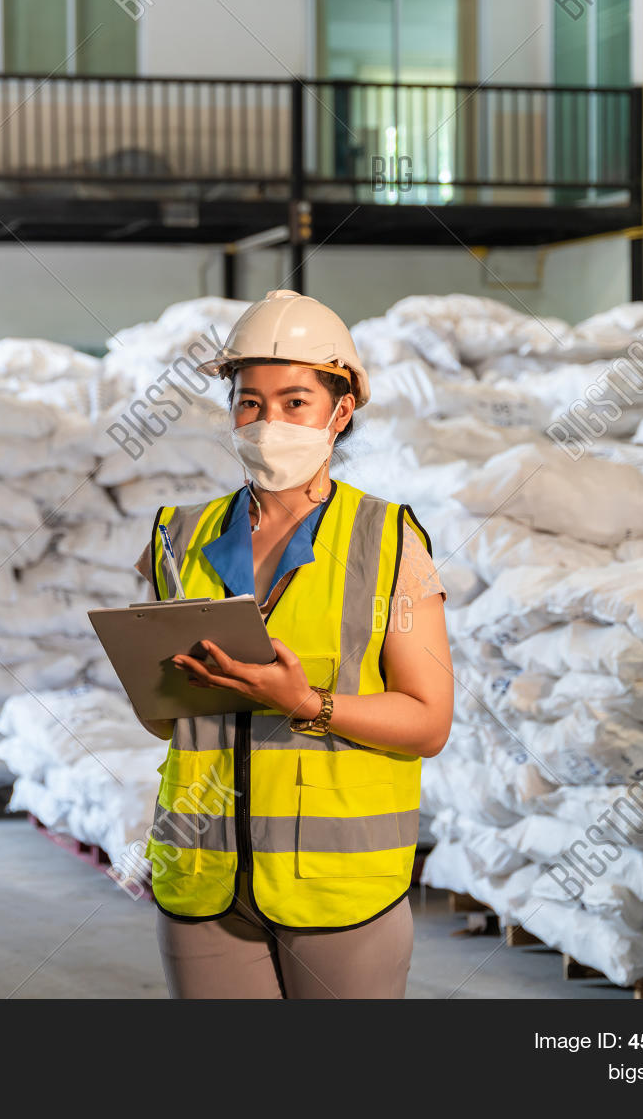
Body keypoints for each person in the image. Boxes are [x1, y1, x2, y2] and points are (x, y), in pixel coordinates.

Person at [131, 289, 454, 1000]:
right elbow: (165, 720)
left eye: (296, 402)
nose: (269, 421)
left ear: (341, 411)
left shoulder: (388, 539)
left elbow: (429, 721)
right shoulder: (175, 537)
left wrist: (309, 703)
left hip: (339, 886)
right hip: (203, 874)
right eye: (251, 402)